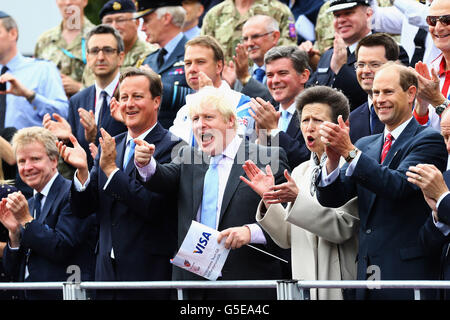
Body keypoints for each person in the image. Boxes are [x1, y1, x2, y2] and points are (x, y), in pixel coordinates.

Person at [134, 85, 290, 300]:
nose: (200, 125)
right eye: (195, 119)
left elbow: (287, 223)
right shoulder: (188, 156)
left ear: (230, 121)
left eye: (208, 117)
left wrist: (251, 232)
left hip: (246, 284)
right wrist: (145, 163)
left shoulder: (266, 157)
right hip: (194, 285)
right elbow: (160, 177)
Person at [316, 62, 447, 300]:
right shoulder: (365, 144)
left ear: (411, 94)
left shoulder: (429, 140)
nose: (379, 99)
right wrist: (333, 161)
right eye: (375, 93)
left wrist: (349, 152)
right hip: (366, 271)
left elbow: (397, 185)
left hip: (407, 273)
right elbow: (333, 198)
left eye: (388, 92)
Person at [58, 67, 181, 300]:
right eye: (123, 97)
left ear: (156, 101)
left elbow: (152, 207)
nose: (129, 104)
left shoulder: (174, 147)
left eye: (137, 96)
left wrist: (111, 171)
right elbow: (84, 209)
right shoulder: (112, 143)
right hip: (105, 275)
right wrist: (83, 172)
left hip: (149, 276)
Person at [241, 85, 359, 300]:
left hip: (338, 285)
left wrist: (297, 200)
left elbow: (343, 228)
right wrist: (269, 200)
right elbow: (287, 238)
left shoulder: (352, 165)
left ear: (342, 125)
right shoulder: (300, 170)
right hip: (303, 285)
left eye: (318, 120)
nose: (310, 128)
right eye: (305, 121)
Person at [0, 127, 96, 300]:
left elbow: (62, 247)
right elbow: (10, 270)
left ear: (54, 161)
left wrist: (26, 220)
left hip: (64, 294)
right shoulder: (29, 203)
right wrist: (14, 234)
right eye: (21, 161)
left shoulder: (74, 194)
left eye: (35, 159)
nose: (27, 167)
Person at [43, 24, 128, 171]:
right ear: (87, 58)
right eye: (95, 51)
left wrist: (94, 137)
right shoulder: (77, 100)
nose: (100, 57)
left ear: (120, 57)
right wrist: (67, 139)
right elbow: (76, 162)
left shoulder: (131, 95)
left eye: (107, 50)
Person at [307, 0, 409, 111]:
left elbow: (382, 98)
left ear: (369, 14)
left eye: (348, 13)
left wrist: (341, 69)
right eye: (337, 15)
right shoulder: (329, 55)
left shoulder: (391, 50)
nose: (341, 20)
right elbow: (311, 94)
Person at [170, 35, 270, 145]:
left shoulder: (243, 104)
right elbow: (176, 155)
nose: (192, 69)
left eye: (200, 62)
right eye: (188, 63)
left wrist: (209, 97)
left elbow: (234, 150)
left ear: (219, 66)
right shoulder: (184, 111)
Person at [406, 106, 450, 298]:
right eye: (445, 137)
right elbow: (425, 245)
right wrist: (437, 216)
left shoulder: (443, 186)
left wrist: (443, 199)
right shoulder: (447, 178)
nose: (448, 147)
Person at [0, 12, 68, 130]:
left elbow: (63, 113)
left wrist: (30, 96)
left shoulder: (42, 69)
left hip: (27, 146)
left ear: (12, 33)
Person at [249, 46, 311, 170]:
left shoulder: (317, 110)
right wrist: (261, 139)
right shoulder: (266, 112)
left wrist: (273, 131)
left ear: (303, 76)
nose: (275, 81)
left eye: (282, 73)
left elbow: (308, 159)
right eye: (270, 75)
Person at [137, 0, 192, 129]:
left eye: (147, 20)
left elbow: (206, 95)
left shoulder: (196, 53)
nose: (142, 28)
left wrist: (158, 85)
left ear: (166, 18)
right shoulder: (148, 60)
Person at [81, 0, 157, 87]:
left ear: (137, 23)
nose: (114, 27)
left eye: (120, 20)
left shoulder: (151, 56)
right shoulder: (96, 58)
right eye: (108, 21)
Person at [200, 0, 297, 62]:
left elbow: (288, 53)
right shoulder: (214, 14)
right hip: (224, 83)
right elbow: (203, 53)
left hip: (265, 80)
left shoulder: (280, 11)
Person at [34, 0, 95, 97]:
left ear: (85, 1)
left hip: (86, 108)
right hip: (51, 108)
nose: (68, 3)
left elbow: (109, 81)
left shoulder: (98, 37)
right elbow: (37, 79)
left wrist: (79, 88)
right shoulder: (44, 40)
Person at [349, 33, 400, 144]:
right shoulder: (351, 120)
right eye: (361, 64)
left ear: (394, 65)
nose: (366, 71)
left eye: (375, 64)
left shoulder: (411, 110)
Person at [412, 0, 450, 133]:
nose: (438, 28)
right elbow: (415, 135)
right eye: (432, 20)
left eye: (447, 19)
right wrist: (421, 107)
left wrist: (436, 100)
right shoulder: (432, 69)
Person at [224, 14, 281, 89]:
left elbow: (273, 100)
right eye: (245, 39)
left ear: (274, 37)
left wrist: (246, 79)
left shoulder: (286, 71)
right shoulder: (240, 76)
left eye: (255, 36)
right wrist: (231, 86)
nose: (249, 43)